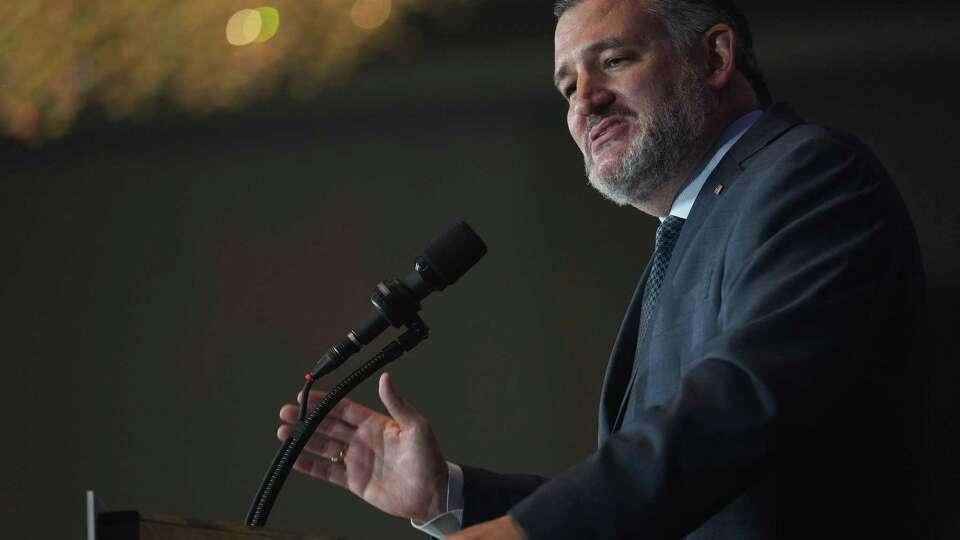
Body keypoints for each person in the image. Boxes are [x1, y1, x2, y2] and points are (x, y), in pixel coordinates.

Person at [277, 0, 933, 538]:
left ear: (714, 57)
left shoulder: (807, 175)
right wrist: (448, 495)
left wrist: (531, 534)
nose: (584, 101)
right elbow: (659, 500)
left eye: (613, 61)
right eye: (567, 85)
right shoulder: (687, 233)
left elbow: (737, 408)